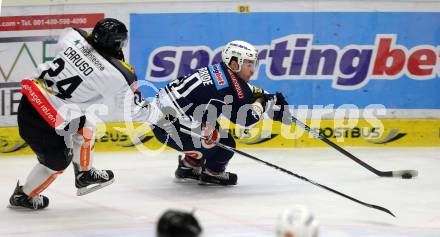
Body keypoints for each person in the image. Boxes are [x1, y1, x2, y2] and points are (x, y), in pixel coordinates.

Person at [9, 18, 150, 209]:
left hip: (33, 102)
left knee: (87, 126)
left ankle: (85, 173)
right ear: (116, 43)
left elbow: (81, 44)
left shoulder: (72, 35)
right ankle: (23, 196)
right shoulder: (115, 74)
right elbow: (133, 111)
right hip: (45, 121)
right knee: (56, 164)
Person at [148, 40, 291, 186]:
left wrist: (267, 97)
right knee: (226, 145)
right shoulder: (229, 87)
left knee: (208, 125)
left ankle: (188, 166)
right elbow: (246, 120)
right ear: (235, 64)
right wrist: (264, 103)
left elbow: (245, 90)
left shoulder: (219, 71)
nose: (252, 70)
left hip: (160, 120)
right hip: (172, 129)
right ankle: (212, 173)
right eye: (249, 65)